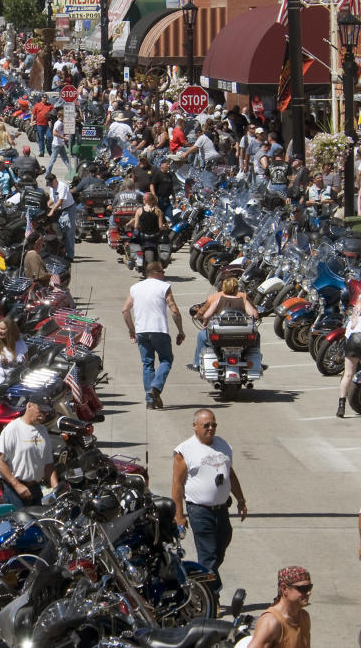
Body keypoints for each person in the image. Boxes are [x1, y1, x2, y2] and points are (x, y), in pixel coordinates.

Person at [171, 409, 247, 600]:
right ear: (195, 427)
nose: (211, 428)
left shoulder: (223, 445)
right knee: (208, 555)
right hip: (199, 510)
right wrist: (179, 515)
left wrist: (241, 499)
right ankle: (211, 597)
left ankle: (203, 584)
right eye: (206, 425)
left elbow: (230, 473)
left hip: (221, 509)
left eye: (213, 424)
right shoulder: (184, 450)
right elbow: (177, 484)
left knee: (220, 548)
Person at [121, 261, 186, 409]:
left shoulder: (135, 288)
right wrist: (180, 330)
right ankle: (155, 388)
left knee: (147, 364)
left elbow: (125, 310)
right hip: (159, 330)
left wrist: (132, 330)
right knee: (166, 360)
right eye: (162, 271)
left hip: (142, 331)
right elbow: (173, 309)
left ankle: (150, 400)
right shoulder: (164, 287)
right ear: (155, 273)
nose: (164, 274)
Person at [0, 395, 59, 508]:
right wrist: (17, 485)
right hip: (14, 490)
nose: (43, 415)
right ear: (29, 406)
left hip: (35, 488)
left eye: (46, 412)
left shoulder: (42, 431)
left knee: (38, 523)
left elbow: (48, 465)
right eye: (40, 410)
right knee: (20, 523)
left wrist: (57, 489)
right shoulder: (13, 429)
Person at [187, 277, 259, 371]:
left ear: (224, 288)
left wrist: (205, 321)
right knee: (257, 335)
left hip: (221, 337)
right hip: (240, 336)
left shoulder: (218, 300)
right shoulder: (243, 300)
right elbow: (254, 314)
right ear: (237, 288)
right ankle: (255, 358)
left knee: (201, 335)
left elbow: (206, 315)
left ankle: (197, 364)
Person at [246, 567, 311, 648]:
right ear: (284, 589)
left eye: (309, 587)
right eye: (303, 589)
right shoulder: (271, 622)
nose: (309, 593)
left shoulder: (304, 617)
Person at [0, 316, 28, 389]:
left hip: (17, 383)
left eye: (3, 329)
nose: (0, 331)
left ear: (11, 329)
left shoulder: (21, 343)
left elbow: (26, 365)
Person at [336, 293, 361, 418]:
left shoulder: (357, 306)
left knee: (347, 374)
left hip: (353, 339)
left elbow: (350, 326)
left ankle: (341, 406)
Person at [45, 172, 77, 261]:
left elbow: (60, 201)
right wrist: (46, 205)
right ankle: (61, 252)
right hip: (61, 210)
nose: (50, 186)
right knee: (60, 232)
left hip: (69, 209)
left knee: (69, 232)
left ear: (55, 181)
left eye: (51, 183)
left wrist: (52, 210)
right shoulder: (52, 188)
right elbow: (52, 199)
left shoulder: (62, 186)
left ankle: (70, 256)